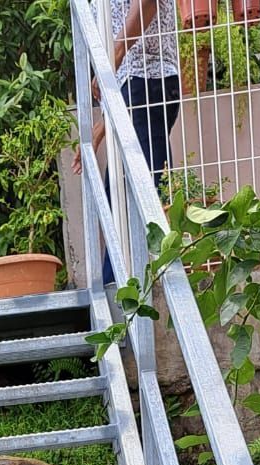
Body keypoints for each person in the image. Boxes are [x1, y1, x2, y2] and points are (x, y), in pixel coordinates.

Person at [73, 0, 181, 279]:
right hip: (132, 90)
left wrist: (115, 54)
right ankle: (119, 292)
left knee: (135, 202)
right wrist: (101, 128)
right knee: (119, 200)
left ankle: (121, 296)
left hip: (149, 79)